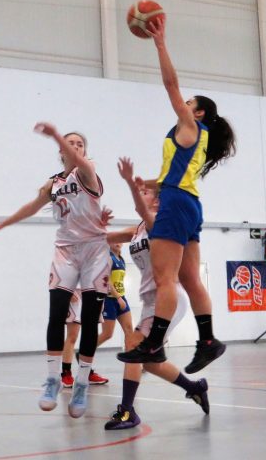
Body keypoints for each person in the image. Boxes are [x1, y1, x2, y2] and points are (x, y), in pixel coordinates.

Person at [117, 14, 236, 373]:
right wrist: (150, 183)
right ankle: (209, 340)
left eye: (188, 102)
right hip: (189, 203)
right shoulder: (196, 137)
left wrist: (160, 44)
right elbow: (177, 176)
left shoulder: (189, 124)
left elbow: (170, 83)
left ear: (197, 112)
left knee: (165, 277)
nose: (182, 102)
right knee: (189, 278)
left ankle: (154, 344)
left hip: (177, 203)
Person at [0, 123, 110, 419]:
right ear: (60, 153)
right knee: (57, 314)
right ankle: (53, 379)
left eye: (80, 143)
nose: (75, 147)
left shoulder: (88, 171)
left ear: (84, 151)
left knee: (89, 321)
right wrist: (2, 224)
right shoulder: (53, 183)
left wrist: (55, 135)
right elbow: (31, 207)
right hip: (66, 251)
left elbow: (78, 160)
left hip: (94, 251)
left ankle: (82, 383)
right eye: (70, 143)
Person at [104, 158, 209, 430]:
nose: (141, 194)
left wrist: (131, 182)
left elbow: (144, 207)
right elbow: (106, 238)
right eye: (141, 191)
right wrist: (96, 226)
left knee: (133, 345)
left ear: (158, 200)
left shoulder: (160, 223)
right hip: (151, 301)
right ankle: (194, 387)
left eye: (145, 192)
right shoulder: (138, 229)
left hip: (169, 298)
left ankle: (128, 411)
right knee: (150, 363)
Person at [61, 289, 109, 388]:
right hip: (76, 292)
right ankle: (66, 373)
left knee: (89, 335)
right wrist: (68, 291)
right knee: (72, 336)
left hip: (93, 293)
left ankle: (87, 372)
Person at [96, 243, 133, 350]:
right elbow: (106, 280)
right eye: (115, 241)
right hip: (109, 300)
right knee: (107, 334)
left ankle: (129, 359)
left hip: (121, 298)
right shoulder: (108, 258)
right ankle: (84, 352)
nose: (118, 243)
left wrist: (120, 297)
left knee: (129, 330)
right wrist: (118, 298)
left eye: (120, 241)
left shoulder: (121, 260)